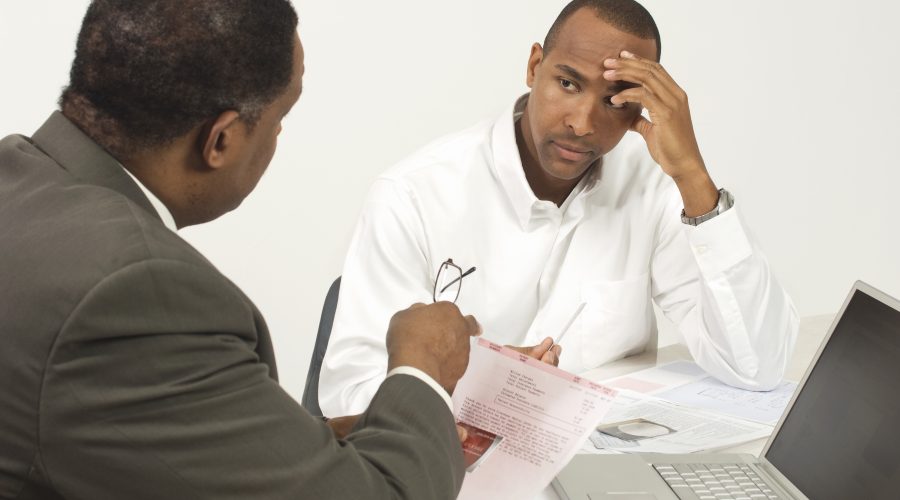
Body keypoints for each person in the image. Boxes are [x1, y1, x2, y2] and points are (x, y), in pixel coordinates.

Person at [0, 1, 481, 498]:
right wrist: (421, 368)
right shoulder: (136, 292)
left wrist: (305, 446)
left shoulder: (17, 180)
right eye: (279, 118)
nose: (277, 137)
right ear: (221, 140)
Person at [319, 0, 799, 417]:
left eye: (615, 101)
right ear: (534, 67)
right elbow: (349, 398)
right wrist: (482, 380)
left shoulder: (654, 188)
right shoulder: (413, 196)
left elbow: (755, 366)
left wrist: (693, 176)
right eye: (568, 83)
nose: (583, 123)